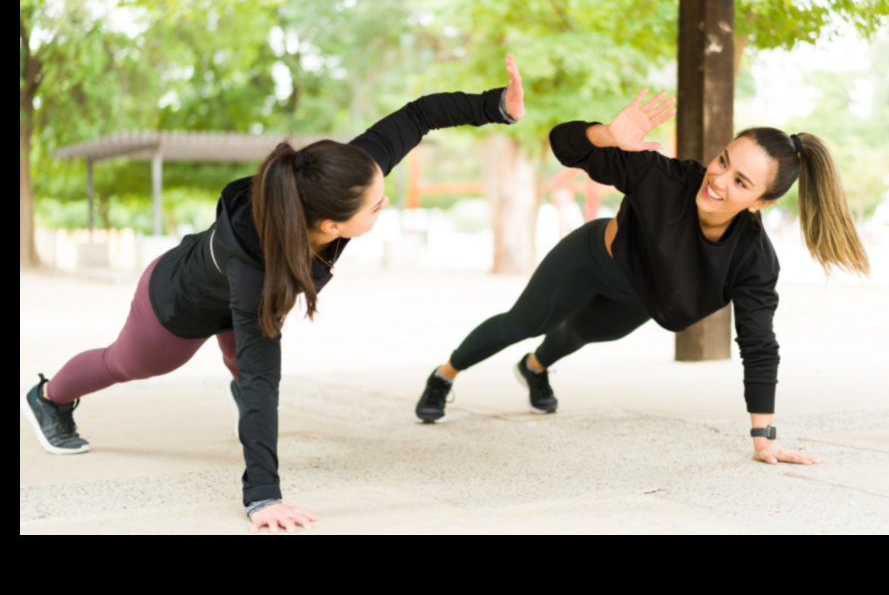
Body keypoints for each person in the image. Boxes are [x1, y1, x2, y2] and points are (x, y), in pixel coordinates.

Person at [21, 54, 526, 534]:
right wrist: (263, 496)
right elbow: (265, 379)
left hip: (240, 300)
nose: (383, 202)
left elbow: (419, 115)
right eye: (376, 207)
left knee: (248, 370)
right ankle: (47, 397)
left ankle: (238, 395)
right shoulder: (260, 271)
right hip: (178, 300)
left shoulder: (337, 184)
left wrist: (495, 105)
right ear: (331, 225)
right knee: (131, 365)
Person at [415, 86, 869, 467]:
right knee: (523, 323)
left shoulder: (753, 262)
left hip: (637, 297)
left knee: (583, 332)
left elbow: (758, 344)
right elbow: (566, 146)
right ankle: (444, 374)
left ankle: (534, 368)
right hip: (593, 258)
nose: (718, 179)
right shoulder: (664, 178)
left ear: (760, 204)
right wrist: (605, 134)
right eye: (724, 160)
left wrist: (763, 437)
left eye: (741, 182)